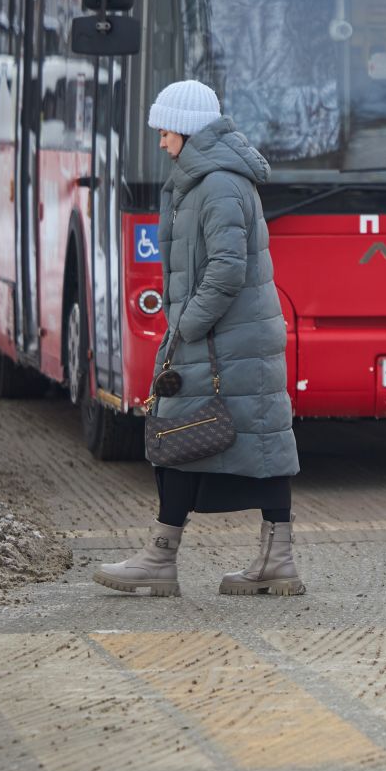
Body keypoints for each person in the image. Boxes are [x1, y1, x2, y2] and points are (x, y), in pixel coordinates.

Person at [95, 80, 304, 598]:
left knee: (179, 435)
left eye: (167, 132)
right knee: (257, 442)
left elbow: (227, 271)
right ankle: (274, 561)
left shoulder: (216, 186)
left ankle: (160, 561)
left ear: (188, 131)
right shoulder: (209, 180)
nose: (163, 143)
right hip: (231, 338)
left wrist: (183, 325)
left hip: (222, 338)